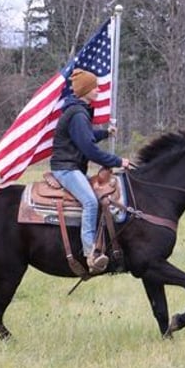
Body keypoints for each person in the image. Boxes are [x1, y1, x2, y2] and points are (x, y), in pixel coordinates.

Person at [50, 68, 132, 274]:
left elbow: (84, 137)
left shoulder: (78, 111)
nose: (98, 90)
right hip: (66, 168)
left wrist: (105, 133)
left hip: (71, 167)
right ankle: (90, 253)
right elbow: (89, 149)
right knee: (90, 201)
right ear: (85, 90)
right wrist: (118, 160)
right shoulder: (78, 114)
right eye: (94, 87)